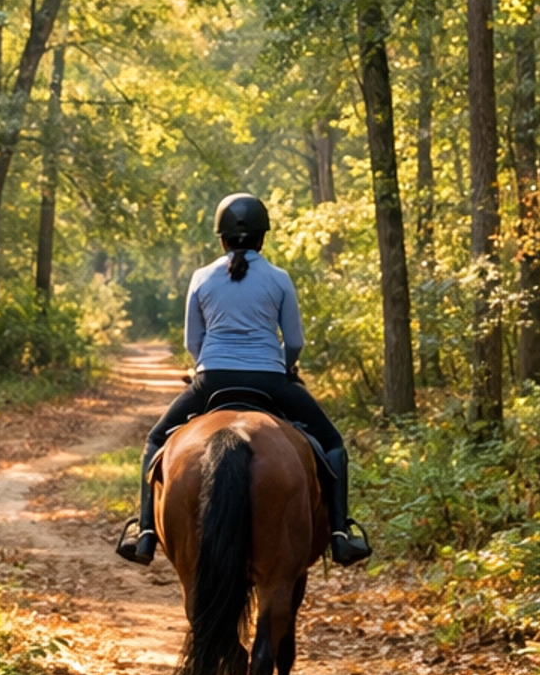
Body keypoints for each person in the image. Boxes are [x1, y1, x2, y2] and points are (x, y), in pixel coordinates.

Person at [117, 193, 372, 568]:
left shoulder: (201, 278)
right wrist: (283, 367)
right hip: (270, 380)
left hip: (211, 379)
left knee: (156, 440)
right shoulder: (279, 279)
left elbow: (192, 342)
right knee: (332, 443)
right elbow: (294, 341)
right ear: (262, 238)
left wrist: (208, 368)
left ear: (221, 239)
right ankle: (340, 534)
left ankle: (144, 533)